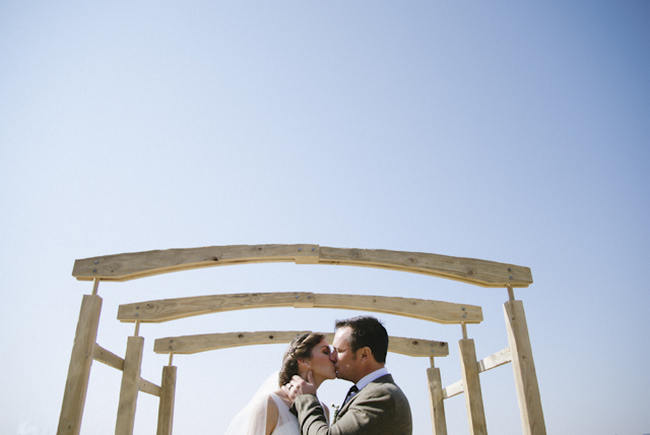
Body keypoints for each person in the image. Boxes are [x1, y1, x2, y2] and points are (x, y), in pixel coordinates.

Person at [284, 316, 412, 435]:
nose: (332, 357)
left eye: (339, 351)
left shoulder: (382, 395)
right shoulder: (372, 392)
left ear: (364, 355)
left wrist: (306, 398)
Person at [225, 332, 336, 435]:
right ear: (303, 360)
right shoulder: (271, 403)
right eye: (326, 352)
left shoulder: (323, 410)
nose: (333, 358)